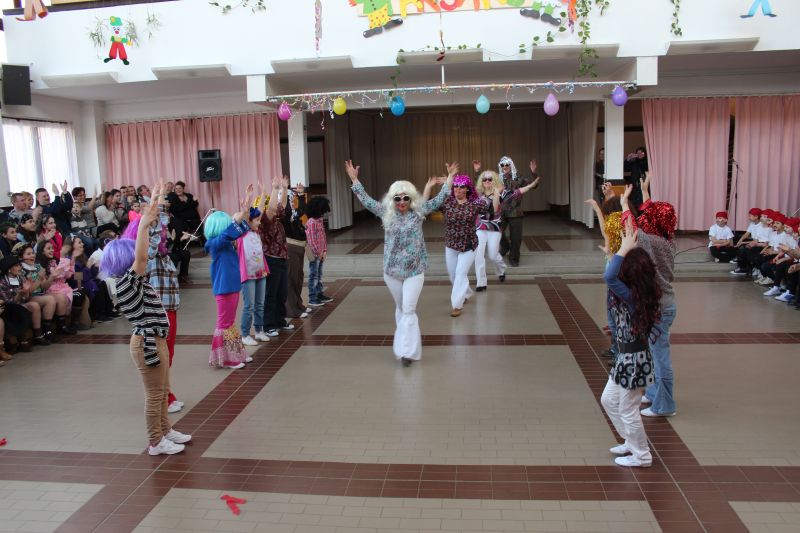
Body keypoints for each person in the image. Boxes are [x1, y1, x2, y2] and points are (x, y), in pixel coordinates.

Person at [100, 184, 191, 456]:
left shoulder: (130, 281)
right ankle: (156, 441)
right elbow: (141, 257)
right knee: (154, 395)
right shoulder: (127, 282)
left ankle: (165, 430)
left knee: (162, 391)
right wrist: (143, 224)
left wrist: (152, 214)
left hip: (154, 338)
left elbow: (142, 255)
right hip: (146, 342)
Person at [347, 159, 455, 366]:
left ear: (411, 198)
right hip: (392, 272)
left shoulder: (419, 212)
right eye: (397, 198)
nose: (402, 202)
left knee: (408, 309)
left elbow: (440, 198)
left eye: (406, 198)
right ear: (392, 200)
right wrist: (354, 179)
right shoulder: (385, 212)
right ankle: (405, 340)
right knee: (401, 308)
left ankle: (407, 351)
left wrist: (449, 178)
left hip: (415, 271)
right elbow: (366, 201)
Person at [601, 218, 659, 468]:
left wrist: (623, 250)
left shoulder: (633, 296)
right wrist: (614, 253)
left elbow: (609, 276)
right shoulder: (633, 293)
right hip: (625, 357)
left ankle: (641, 456)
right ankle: (631, 441)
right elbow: (610, 279)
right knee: (608, 400)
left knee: (628, 409)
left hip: (633, 360)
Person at [622, 180, 678, 418]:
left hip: (659, 307)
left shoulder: (649, 241)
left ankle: (665, 406)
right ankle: (654, 394)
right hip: (664, 303)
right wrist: (645, 191)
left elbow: (631, 225)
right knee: (655, 352)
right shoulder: (668, 239)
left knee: (660, 356)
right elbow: (652, 213)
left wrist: (624, 203)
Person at [205, 187, 252, 370]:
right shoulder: (213, 243)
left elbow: (242, 229)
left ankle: (237, 353)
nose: (229, 228)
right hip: (224, 287)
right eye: (226, 225)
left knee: (230, 323)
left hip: (231, 286)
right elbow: (228, 233)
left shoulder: (225, 243)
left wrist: (245, 210)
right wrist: (235, 220)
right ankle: (225, 358)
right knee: (224, 323)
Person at [474, 170, 541, 291]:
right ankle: (481, 282)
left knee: (493, 255)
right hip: (480, 228)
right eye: (485, 179)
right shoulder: (476, 194)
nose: (487, 181)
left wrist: (531, 185)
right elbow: (459, 191)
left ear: (494, 180)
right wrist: (449, 181)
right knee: (479, 255)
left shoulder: (501, 193)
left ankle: (501, 269)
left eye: (490, 179)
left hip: (494, 228)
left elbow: (518, 192)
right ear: (481, 181)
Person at [438, 175, 490, 316]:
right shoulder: (447, 203)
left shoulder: (475, 204)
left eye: (462, 187)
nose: (458, 189)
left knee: (460, 274)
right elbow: (433, 203)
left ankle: (457, 305)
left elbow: (489, 208)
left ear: (467, 189)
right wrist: (448, 180)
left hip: (469, 245)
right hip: (451, 244)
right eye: (456, 186)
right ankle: (465, 292)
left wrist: (486, 190)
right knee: (453, 275)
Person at [475, 157, 540, 267]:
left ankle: (514, 258)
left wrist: (533, 172)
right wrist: (477, 171)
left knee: (516, 238)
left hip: (515, 212)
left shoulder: (518, 177)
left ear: (511, 165)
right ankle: (505, 247)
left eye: (507, 164)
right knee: (496, 233)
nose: (504, 167)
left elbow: (533, 185)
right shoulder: (497, 179)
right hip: (501, 212)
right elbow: (483, 183)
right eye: (502, 165)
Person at [259, 177, 299, 337]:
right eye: (273, 207)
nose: (276, 208)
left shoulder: (277, 220)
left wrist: (284, 188)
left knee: (282, 293)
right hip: (271, 260)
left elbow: (281, 206)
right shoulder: (265, 222)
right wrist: (274, 189)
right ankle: (268, 325)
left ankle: (280, 320)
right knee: (271, 294)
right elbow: (271, 208)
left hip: (282, 259)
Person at [238, 188, 270, 345]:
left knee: (260, 305)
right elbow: (245, 216)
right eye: (256, 220)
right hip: (248, 275)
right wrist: (248, 197)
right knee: (249, 306)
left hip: (260, 273)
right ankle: (245, 335)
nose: (259, 222)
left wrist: (263, 194)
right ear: (248, 222)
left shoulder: (256, 233)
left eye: (259, 220)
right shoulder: (242, 233)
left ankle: (259, 331)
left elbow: (260, 211)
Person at [0, 255, 50, 347]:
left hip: (20, 304)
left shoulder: (21, 278)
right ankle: (22, 337)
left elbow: (26, 298)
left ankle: (38, 335)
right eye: (17, 266)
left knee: (34, 305)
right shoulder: (2, 282)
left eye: (19, 265)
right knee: (20, 309)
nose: (20, 267)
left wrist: (26, 291)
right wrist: (19, 295)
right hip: (8, 308)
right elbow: (8, 303)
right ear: (9, 269)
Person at [282, 183, 311, 319]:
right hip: (291, 247)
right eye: (290, 199)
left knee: (299, 277)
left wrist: (300, 195)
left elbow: (303, 211)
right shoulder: (284, 215)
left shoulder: (294, 212)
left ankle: (298, 304)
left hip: (299, 246)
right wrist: (284, 190)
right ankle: (291, 309)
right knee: (292, 278)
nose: (292, 201)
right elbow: (286, 211)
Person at [305, 196, 332, 308]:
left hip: (321, 254)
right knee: (314, 275)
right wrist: (318, 253)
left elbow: (323, 237)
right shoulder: (311, 222)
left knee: (319, 275)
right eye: (323, 211)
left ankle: (319, 293)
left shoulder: (319, 221)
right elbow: (311, 240)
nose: (324, 214)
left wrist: (324, 251)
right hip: (315, 255)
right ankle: (313, 297)